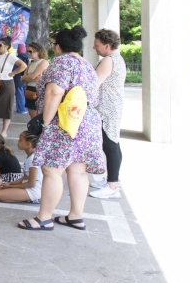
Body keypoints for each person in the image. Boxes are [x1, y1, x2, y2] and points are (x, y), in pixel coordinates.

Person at [17, 26, 104, 231]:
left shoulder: (62, 63)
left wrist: (45, 122)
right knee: (78, 169)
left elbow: (55, 93)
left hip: (64, 123)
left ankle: (44, 218)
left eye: (54, 43)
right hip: (87, 121)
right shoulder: (86, 65)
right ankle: (75, 216)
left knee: (51, 170)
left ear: (59, 46)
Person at [90, 29, 126, 200]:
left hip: (107, 108)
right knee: (112, 144)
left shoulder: (108, 61)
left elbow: (94, 84)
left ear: (106, 45)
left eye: (96, 45)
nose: (94, 47)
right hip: (111, 106)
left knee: (110, 145)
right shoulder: (115, 59)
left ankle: (112, 185)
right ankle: (111, 180)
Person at [0, 37, 27, 136]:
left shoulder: (10, 56)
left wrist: (13, 73)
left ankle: (4, 131)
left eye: (0, 45)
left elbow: (23, 65)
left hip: (6, 83)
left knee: (6, 107)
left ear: (6, 47)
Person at [0, 131, 42, 204]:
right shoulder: (29, 156)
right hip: (27, 186)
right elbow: (25, 177)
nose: (18, 141)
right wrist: (10, 183)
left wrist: (10, 187)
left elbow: (31, 183)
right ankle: (21, 197)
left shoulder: (33, 159)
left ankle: (32, 198)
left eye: (20, 140)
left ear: (28, 144)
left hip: (33, 190)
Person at [20, 42, 49, 119]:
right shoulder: (31, 63)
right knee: (30, 112)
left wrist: (28, 78)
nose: (28, 53)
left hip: (37, 90)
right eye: (28, 51)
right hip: (29, 89)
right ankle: (34, 129)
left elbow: (31, 77)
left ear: (38, 51)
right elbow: (23, 78)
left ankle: (37, 130)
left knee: (36, 113)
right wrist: (28, 78)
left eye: (30, 51)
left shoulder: (43, 62)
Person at [14, 43, 30, 115]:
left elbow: (14, 69)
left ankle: (21, 109)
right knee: (24, 93)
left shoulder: (17, 59)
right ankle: (26, 107)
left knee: (19, 94)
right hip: (26, 79)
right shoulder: (28, 58)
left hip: (18, 79)